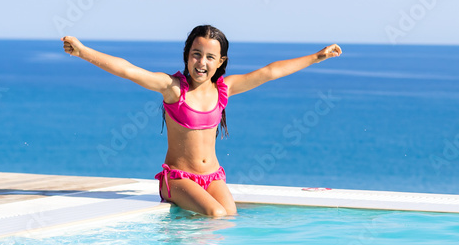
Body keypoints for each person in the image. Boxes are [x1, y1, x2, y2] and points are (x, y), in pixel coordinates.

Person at [62, 24, 342, 217]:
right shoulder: (173, 88)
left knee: (230, 215)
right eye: (196, 54)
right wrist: (83, 51)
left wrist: (317, 57)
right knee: (216, 213)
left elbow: (270, 72)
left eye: (210, 57)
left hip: (213, 176)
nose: (202, 62)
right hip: (178, 179)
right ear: (187, 55)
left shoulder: (224, 89)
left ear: (221, 61)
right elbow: (128, 70)